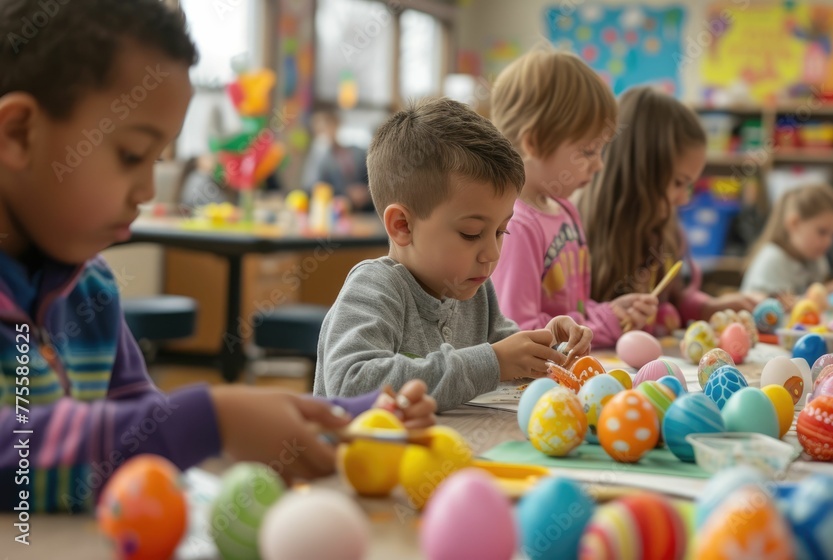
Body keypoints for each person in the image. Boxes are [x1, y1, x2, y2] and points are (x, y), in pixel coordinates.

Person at [0, 0, 435, 513]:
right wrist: (213, 418)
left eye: (157, 159)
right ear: (18, 133)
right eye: (132, 155)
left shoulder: (88, 286)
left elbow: (141, 424)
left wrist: (353, 414)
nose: (145, 188)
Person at [313, 97, 593, 412]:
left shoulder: (475, 291)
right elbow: (350, 384)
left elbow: (511, 359)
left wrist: (553, 348)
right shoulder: (375, 288)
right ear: (402, 225)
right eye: (471, 234)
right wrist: (495, 362)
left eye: (502, 231)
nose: (491, 253)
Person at [489, 50, 659, 348]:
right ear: (535, 142)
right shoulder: (518, 225)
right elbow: (519, 332)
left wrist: (610, 311)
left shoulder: (565, 209)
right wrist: (603, 324)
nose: (599, 165)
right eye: (588, 152)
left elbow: (569, 312)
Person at [578, 86, 757, 334]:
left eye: (689, 185)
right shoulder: (575, 235)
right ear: (639, 172)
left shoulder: (665, 228)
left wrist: (709, 307)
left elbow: (674, 300)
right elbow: (567, 321)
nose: (684, 199)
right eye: (677, 183)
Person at [741, 184, 833, 299]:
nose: (829, 242)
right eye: (822, 232)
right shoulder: (772, 259)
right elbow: (772, 308)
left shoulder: (817, 261)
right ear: (794, 223)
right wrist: (828, 291)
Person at [302, 102, 373, 213]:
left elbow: (373, 177)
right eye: (319, 128)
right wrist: (347, 193)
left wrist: (366, 191)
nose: (324, 131)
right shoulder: (318, 157)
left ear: (337, 124)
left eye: (327, 124)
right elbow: (312, 187)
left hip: (366, 210)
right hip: (334, 212)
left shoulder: (358, 152)